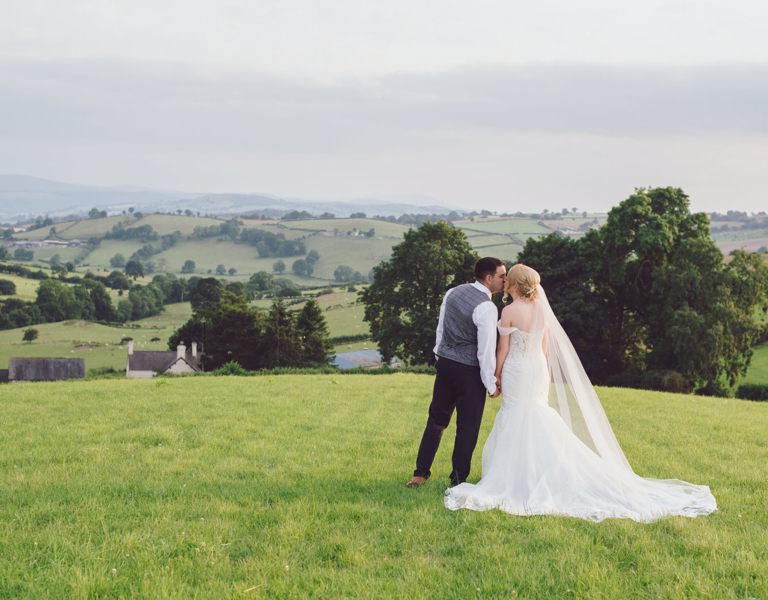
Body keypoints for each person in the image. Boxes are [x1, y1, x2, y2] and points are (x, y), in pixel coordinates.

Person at [444, 264, 717, 522]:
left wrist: (496, 375)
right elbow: (545, 346)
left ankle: (517, 478)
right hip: (537, 369)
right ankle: (543, 471)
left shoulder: (509, 311)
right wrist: (543, 373)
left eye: (508, 279)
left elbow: (502, 350)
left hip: (517, 369)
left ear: (513, 284)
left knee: (516, 416)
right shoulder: (540, 308)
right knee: (537, 415)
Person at [406, 257, 507, 488]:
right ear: (489, 278)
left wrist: (439, 356)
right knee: (467, 427)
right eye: (502, 276)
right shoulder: (487, 307)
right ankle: (458, 480)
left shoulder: (452, 292)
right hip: (469, 372)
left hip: (445, 365)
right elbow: (485, 351)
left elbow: (440, 329)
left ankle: (420, 473)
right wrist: (491, 384)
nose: (505, 280)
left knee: (436, 420)